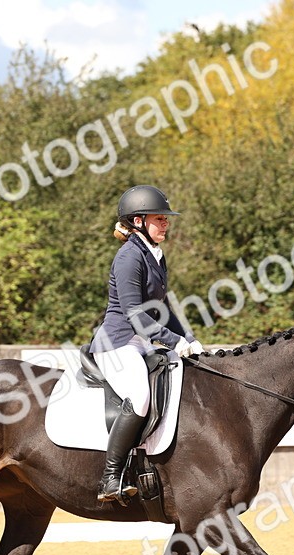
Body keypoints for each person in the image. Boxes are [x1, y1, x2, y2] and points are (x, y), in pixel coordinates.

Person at [89, 184, 204, 503]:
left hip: (140, 342)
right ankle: (110, 477)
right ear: (138, 221)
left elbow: (162, 308)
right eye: (159, 218)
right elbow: (134, 313)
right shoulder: (128, 257)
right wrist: (172, 340)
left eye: (167, 218)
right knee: (139, 397)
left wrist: (190, 339)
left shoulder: (155, 254)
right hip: (117, 343)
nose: (166, 223)